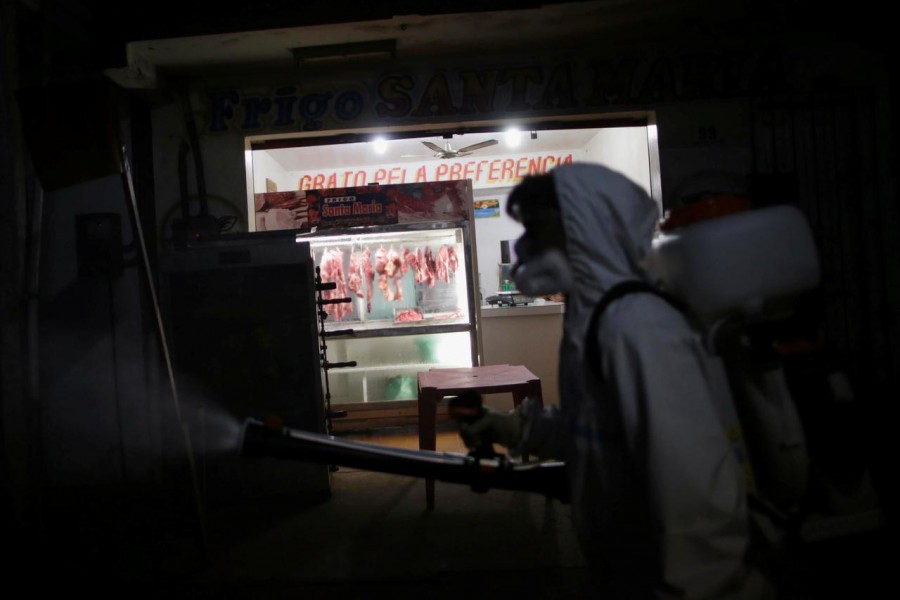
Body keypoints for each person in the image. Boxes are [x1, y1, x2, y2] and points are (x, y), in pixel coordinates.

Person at [457, 163, 775, 599]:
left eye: (539, 229)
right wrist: (518, 429)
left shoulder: (637, 327)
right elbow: (598, 431)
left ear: (587, 230)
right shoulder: (591, 318)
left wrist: (703, 588)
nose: (525, 247)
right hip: (628, 569)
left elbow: (696, 497)